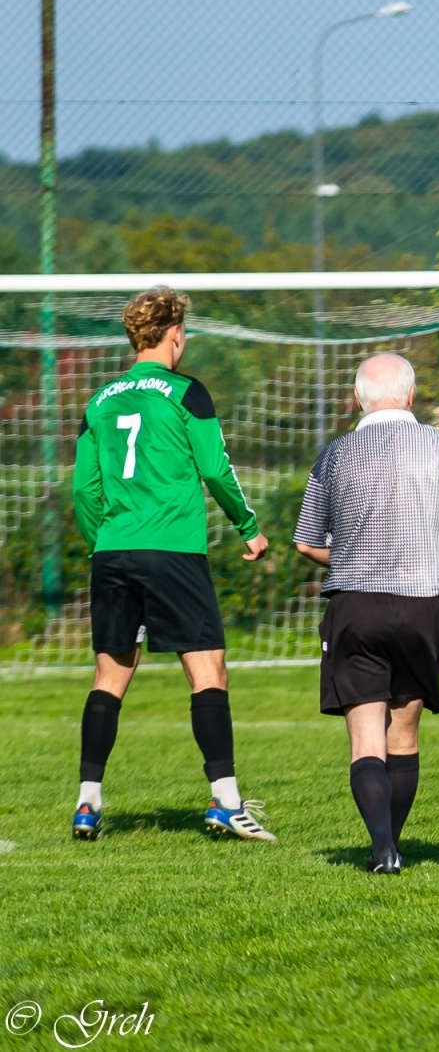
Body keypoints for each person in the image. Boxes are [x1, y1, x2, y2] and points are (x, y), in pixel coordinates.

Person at [293, 352, 439, 874]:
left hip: (355, 606)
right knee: (405, 733)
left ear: (357, 399)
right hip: (424, 608)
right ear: (412, 396)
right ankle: (392, 843)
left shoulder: (334, 455)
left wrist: (353, 553)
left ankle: (381, 849)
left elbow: (306, 542)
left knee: (366, 737)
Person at [69, 285, 276, 842]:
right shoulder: (186, 392)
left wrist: (106, 540)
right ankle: (226, 802)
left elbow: (83, 488)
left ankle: (88, 803)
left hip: (113, 550)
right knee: (207, 671)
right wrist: (249, 527)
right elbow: (214, 467)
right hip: (173, 550)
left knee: (110, 676)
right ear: (176, 335)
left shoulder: (101, 400)